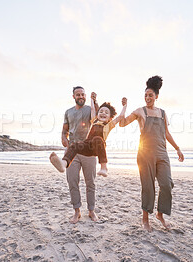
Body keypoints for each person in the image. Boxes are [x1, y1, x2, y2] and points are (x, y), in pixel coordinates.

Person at [119, 76, 184, 232]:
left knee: (166, 185)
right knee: (148, 188)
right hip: (145, 154)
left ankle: (160, 214)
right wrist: (124, 107)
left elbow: (166, 133)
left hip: (162, 153)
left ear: (156, 97)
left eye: (150, 95)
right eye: (146, 95)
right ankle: (145, 219)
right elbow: (122, 123)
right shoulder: (140, 111)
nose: (148, 98)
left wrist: (177, 148)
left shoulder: (162, 113)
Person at [53, 86, 99, 224]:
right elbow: (64, 131)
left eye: (83, 94)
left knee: (90, 182)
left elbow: (97, 116)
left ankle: (91, 211)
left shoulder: (89, 109)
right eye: (78, 95)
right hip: (73, 150)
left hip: (89, 150)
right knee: (72, 181)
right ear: (73, 96)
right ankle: (77, 211)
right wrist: (63, 138)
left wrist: (94, 101)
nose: (81, 97)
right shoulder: (68, 112)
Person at [50, 95, 127, 177]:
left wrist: (125, 105)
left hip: (97, 147)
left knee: (97, 139)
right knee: (75, 145)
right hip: (87, 146)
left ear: (110, 118)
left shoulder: (109, 125)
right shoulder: (94, 121)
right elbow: (93, 109)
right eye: (101, 111)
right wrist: (92, 99)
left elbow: (121, 116)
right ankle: (64, 163)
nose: (103, 113)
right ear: (97, 115)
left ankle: (104, 167)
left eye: (106, 112)